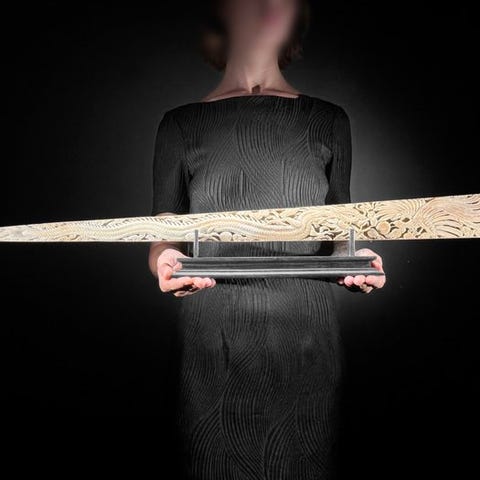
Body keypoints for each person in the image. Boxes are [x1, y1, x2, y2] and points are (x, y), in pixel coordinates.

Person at [149, 0, 386, 477]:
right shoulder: (179, 124)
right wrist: (165, 261)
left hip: (307, 339)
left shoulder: (329, 120)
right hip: (213, 338)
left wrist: (357, 259)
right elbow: (163, 231)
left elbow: (340, 227)